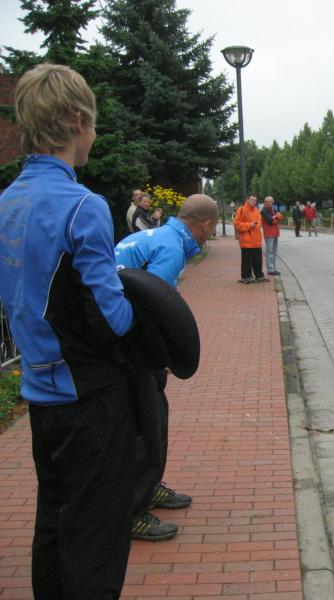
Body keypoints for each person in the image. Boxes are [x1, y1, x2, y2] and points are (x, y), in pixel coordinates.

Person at [0, 63, 138, 599]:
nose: (94, 136)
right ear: (78, 121)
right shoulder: (83, 206)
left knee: (54, 522)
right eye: (94, 125)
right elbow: (111, 318)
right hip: (90, 397)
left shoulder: (6, 201)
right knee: (96, 537)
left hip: (39, 392)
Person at [114, 195, 218, 541]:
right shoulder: (171, 248)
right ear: (205, 224)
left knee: (155, 416)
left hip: (126, 343)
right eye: (213, 227)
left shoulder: (160, 237)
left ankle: (149, 485)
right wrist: (164, 357)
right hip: (132, 349)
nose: (211, 234)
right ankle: (132, 510)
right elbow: (152, 307)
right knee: (148, 423)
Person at [234, 194, 266, 283]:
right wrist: (249, 225)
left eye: (255, 200)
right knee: (247, 261)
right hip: (246, 241)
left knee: (258, 260)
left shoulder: (257, 210)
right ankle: (246, 276)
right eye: (252, 200)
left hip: (257, 240)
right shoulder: (241, 210)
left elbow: (260, 223)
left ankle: (259, 275)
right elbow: (237, 224)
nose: (254, 202)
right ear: (247, 200)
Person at [260, 195, 283, 276]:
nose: (270, 203)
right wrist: (276, 217)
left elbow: (280, 218)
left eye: (271, 201)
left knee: (274, 252)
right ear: (265, 202)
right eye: (268, 201)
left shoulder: (274, 209)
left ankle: (274, 268)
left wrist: (275, 218)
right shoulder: (263, 211)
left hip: (275, 233)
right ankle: (270, 269)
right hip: (269, 234)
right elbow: (270, 221)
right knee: (270, 252)